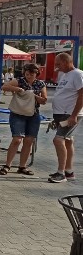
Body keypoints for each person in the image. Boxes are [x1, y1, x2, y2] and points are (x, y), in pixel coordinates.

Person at [0, 63, 46, 177]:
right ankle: (7, 165)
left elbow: (44, 100)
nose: (29, 76)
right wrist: (17, 89)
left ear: (36, 74)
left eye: (32, 74)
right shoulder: (19, 80)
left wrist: (35, 96)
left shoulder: (40, 84)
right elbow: (4, 87)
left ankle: (22, 166)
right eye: (27, 73)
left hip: (33, 114)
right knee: (17, 139)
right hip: (18, 113)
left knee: (28, 141)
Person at [49, 52, 83, 183]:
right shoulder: (64, 75)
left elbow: (81, 95)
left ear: (66, 62)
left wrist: (74, 115)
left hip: (69, 113)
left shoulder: (78, 74)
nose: (57, 67)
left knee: (58, 140)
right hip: (61, 113)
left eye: (58, 64)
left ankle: (60, 173)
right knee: (68, 140)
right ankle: (69, 171)